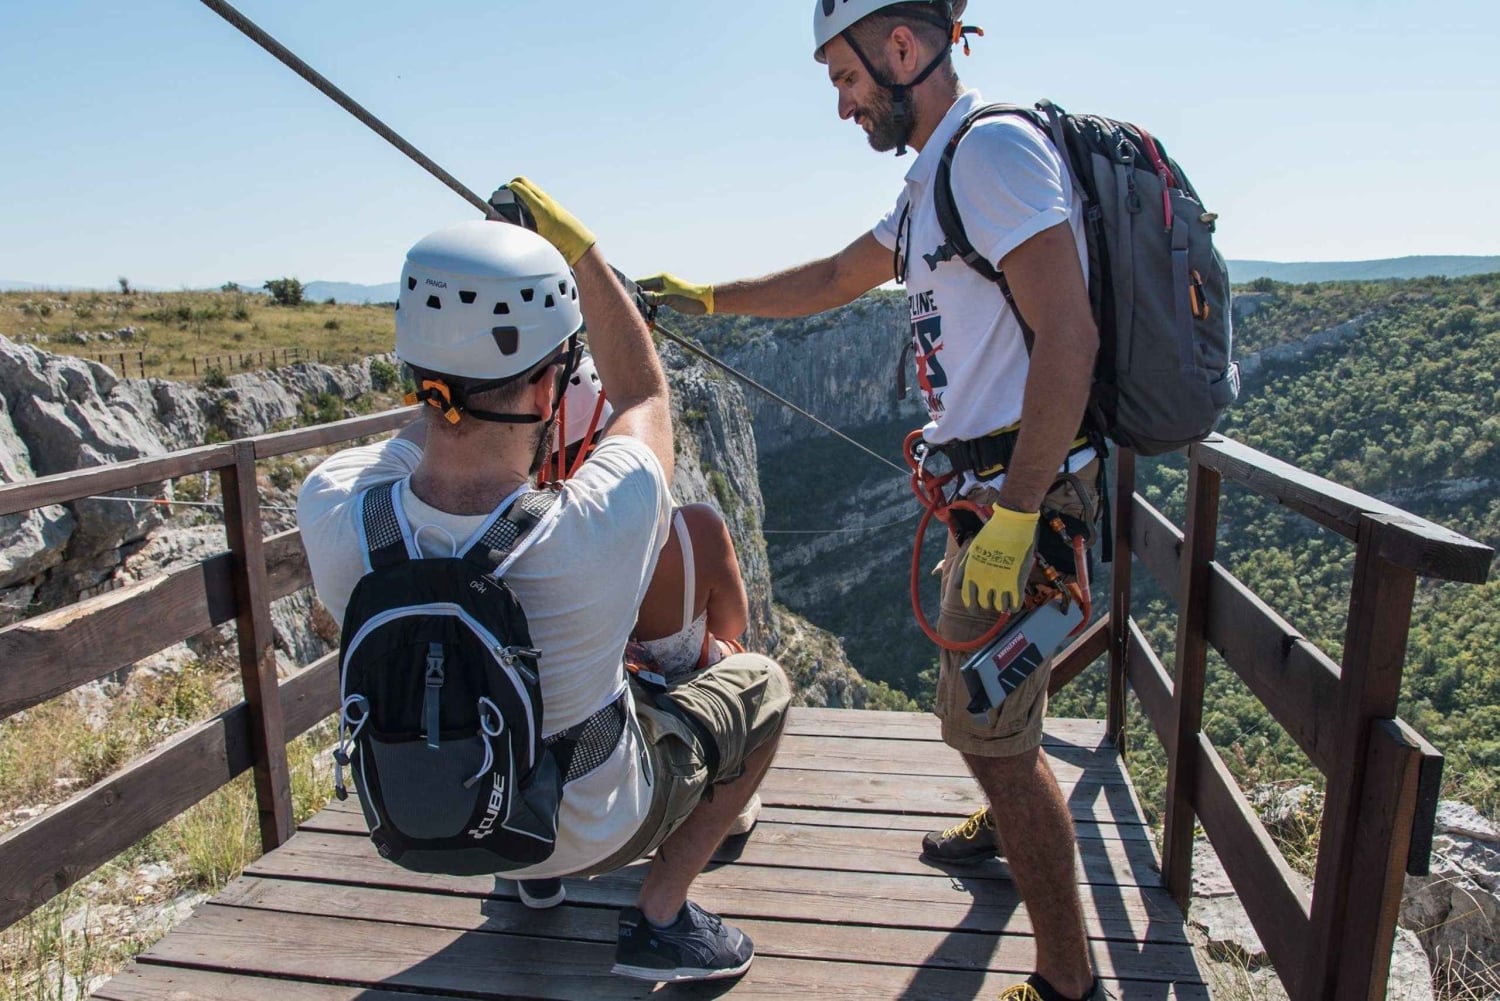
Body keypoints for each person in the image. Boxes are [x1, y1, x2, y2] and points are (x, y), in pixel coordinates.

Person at [640, 3, 1103, 999]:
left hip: (1018, 494)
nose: (843, 105)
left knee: (993, 733)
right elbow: (836, 275)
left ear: (902, 49)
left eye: (845, 78)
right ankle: (1004, 816)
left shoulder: (991, 155)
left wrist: (1019, 518)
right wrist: (708, 297)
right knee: (985, 718)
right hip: (988, 492)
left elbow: (1070, 335)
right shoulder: (932, 179)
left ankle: (1069, 982)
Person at [296, 180, 790, 984]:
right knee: (762, 687)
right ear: (547, 387)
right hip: (603, 824)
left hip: (434, 811)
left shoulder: (333, 513)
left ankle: (530, 875)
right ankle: (661, 915)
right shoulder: (594, 524)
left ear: (420, 374)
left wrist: (449, 371)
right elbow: (643, 394)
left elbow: (408, 445)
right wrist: (581, 250)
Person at [518, 359, 760, 910]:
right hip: (651, 746)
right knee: (745, 664)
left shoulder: (523, 540)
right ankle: (717, 808)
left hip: (562, 761)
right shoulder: (695, 529)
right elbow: (732, 626)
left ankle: (538, 865)